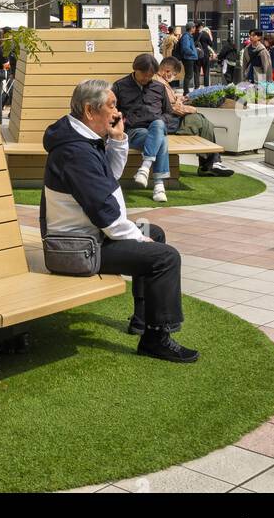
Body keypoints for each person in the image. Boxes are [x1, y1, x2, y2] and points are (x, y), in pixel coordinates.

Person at [41, 78, 199, 363]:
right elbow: (104, 211)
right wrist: (139, 239)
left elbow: (108, 180)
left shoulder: (80, 137)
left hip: (91, 237)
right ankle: (156, 338)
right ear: (90, 111)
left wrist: (117, 140)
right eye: (112, 106)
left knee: (156, 233)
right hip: (76, 248)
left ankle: (142, 321)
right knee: (164, 257)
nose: (117, 113)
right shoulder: (74, 151)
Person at [157, 58, 234, 176]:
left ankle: (211, 163)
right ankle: (210, 164)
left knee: (201, 120)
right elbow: (172, 108)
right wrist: (192, 108)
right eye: (174, 75)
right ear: (166, 71)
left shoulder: (160, 81)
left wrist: (179, 99)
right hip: (169, 122)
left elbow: (170, 102)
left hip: (167, 120)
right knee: (200, 120)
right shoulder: (160, 84)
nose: (173, 77)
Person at [112, 54, 172, 204]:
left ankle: (145, 168)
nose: (146, 78)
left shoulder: (159, 87)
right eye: (144, 75)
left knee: (158, 126)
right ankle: (158, 185)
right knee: (161, 139)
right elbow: (112, 112)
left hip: (155, 128)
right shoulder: (120, 86)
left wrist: (161, 121)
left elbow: (169, 114)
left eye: (150, 76)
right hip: (133, 132)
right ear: (135, 69)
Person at [175, 23, 199, 91]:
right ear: (191, 28)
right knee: (189, 75)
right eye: (194, 27)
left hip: (190, 58)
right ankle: (186, 92)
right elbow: (185, 48)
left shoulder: (189, 36)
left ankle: (187, 91)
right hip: (188, 58)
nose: (195, 29)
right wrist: (193, 53)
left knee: (190, 75)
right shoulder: (186, 36)